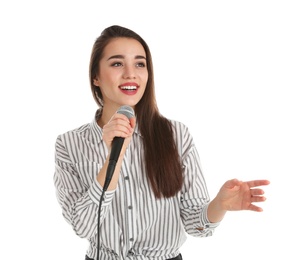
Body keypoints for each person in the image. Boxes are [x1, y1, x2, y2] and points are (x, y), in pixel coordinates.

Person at [53, 25, 270, 260]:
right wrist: (111, 159)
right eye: (117, 63)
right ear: (95, 76)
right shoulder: (69, 144)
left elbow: (196, 224)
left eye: (140, 64)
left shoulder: (176, 135)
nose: (130, 74)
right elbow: (82, 227)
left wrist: (219, 205)